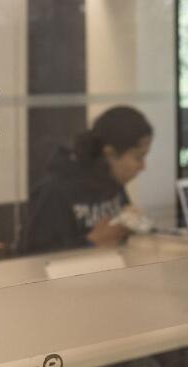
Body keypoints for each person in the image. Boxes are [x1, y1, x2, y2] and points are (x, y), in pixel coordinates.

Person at [20, 106, 152, 255]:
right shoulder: (55, 192)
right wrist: (91, 242)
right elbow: (35, 258)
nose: (143, 166)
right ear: (110, 154)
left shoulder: (113, 185)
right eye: (138, 157)